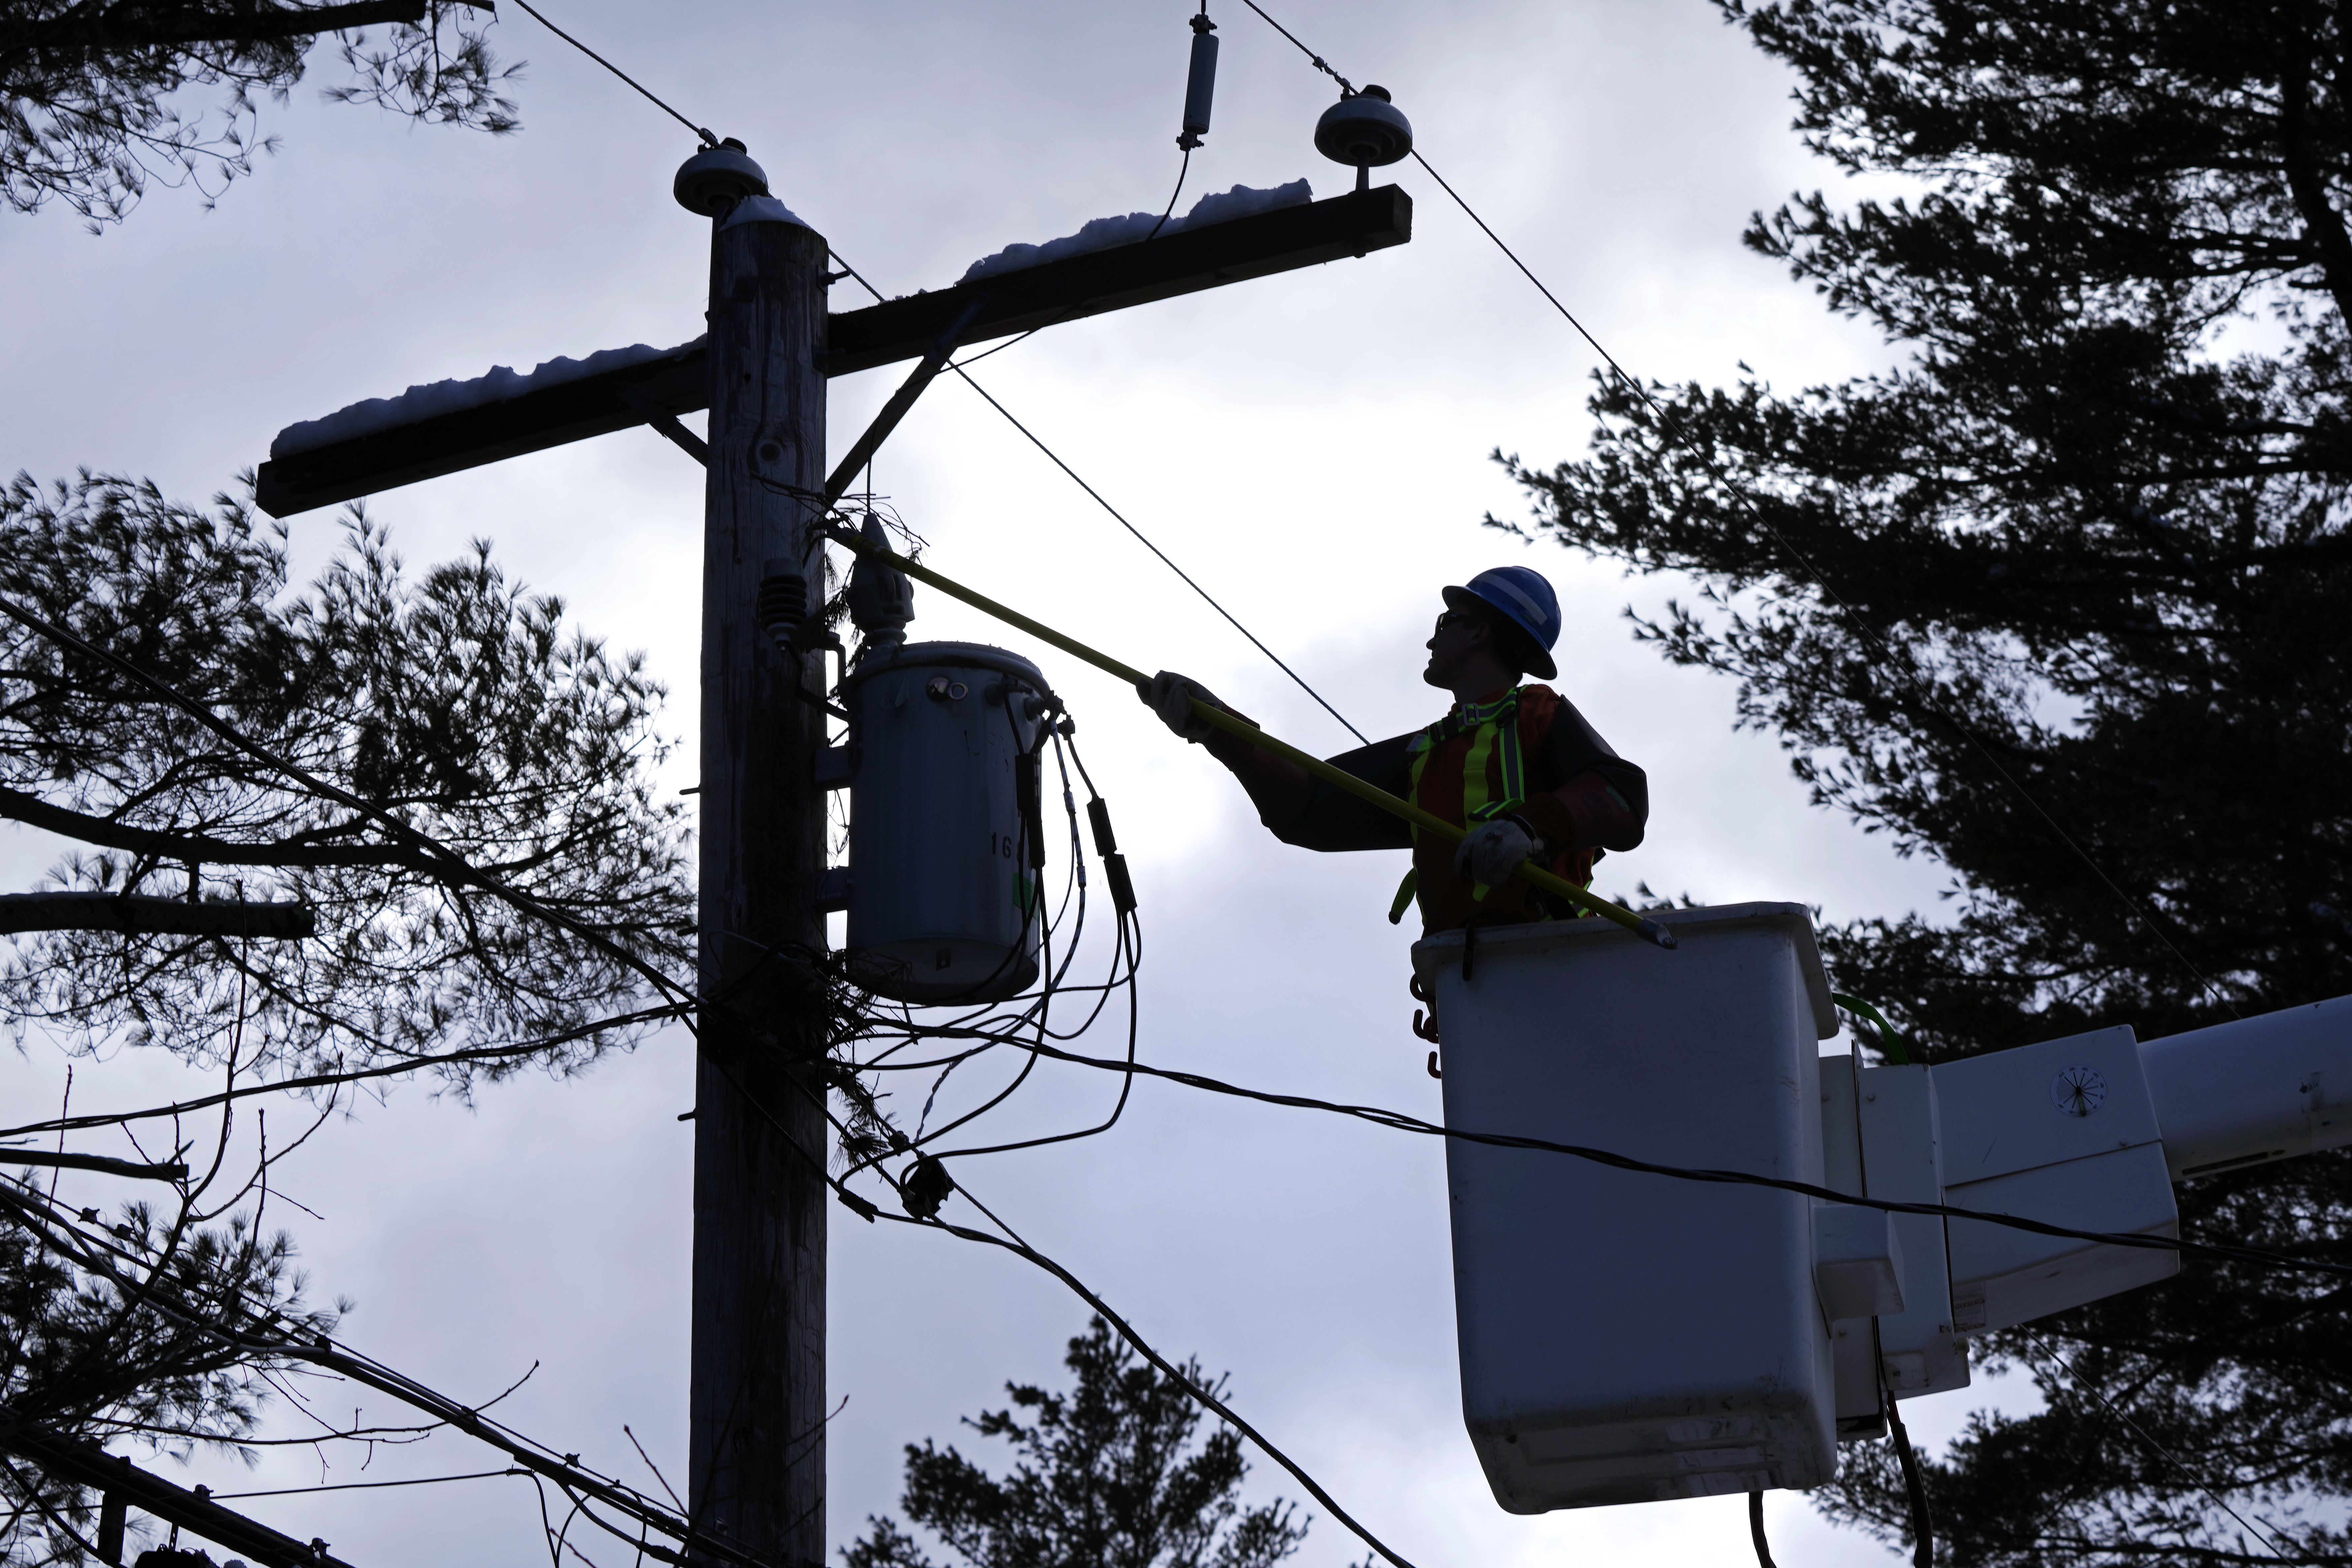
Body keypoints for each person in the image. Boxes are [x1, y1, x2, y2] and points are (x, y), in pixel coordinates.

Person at [1138, 566, 1647, 935]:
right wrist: (1217, 729)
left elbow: (1621, 796)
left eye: (1445, 622)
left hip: (1555, 958)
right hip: (1467, 979)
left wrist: (1528, 829)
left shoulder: (1537, 715)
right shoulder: (1428, 754)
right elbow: (1309, 809)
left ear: (1479, 632)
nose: (1431, 639)